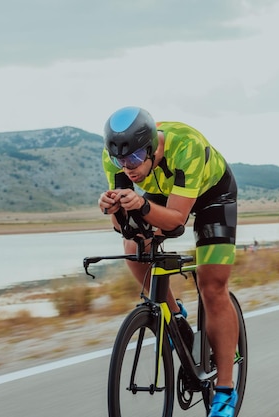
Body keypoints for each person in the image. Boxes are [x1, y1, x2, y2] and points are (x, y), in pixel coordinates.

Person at [98, 106, 239, 417]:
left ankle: (226, 391)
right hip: (162, 195)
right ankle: (174, 317)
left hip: (212, 196)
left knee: (212, 286)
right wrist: (113, 209)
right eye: (120, 161)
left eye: (134, 160)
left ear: (151, 147)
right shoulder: (120, 157)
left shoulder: (185, 145)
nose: (127, 168)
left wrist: (142, 205)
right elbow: (126, 226)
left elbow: (175, 223)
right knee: (134, 247)